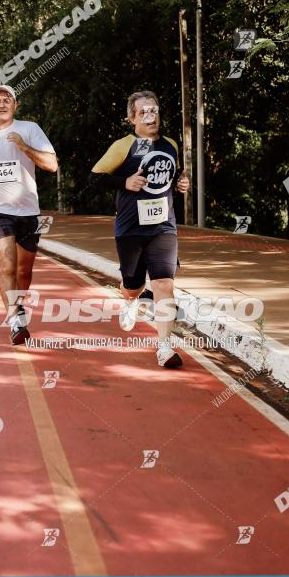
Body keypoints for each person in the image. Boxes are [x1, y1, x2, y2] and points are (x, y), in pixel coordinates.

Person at [91, 90, 190, 369]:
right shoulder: (124, 146)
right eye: (143, 112)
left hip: (163, 227)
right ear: (131, 118)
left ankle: (164, 347)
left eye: (154, 110)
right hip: (130, 228)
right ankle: (131, 299)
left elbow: (174, 175)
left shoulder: (170, 143)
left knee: (163, 284)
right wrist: (124, 182)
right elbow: (95, 176)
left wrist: (181, 184)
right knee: (133, 285)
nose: (150, 116)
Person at [0, 85, 58, 345]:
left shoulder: (30, 129)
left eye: (7, 100)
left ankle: (18, 306)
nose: (1, 104)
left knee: (24, 271)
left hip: (28, 210)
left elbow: (51, 164)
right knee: (7, 265)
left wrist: (24, 147)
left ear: (15, 105)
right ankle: (14, 319)